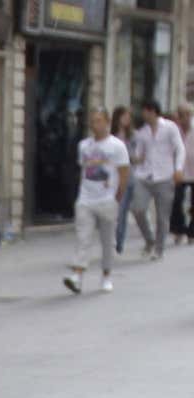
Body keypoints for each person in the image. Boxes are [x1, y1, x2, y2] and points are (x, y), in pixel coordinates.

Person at [64, 108, 130, 295]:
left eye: (99, 120)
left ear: (108, 122)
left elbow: (124, 173)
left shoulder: (117, 146)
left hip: (107, 199)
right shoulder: (84, 145)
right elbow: (83, 171)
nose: (96, 125)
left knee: (108, 241)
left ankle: (106, 275)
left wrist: (118, 196)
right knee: (82, 238)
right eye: (93, 121)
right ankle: (77, 275)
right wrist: (80, 194)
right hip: (86, 198)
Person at [134, 99, 187, 261]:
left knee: (162, 216)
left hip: (165, 176)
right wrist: (136, 158)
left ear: (152, 111)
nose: (142, 114)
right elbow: (138, 153)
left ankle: (159, 248)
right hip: (145, 176)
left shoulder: (170, 128)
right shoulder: (142, 132)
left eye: (144, 111)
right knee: (138, 209)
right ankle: (149, 239)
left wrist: (178, 168)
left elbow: (180, 148)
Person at [113, 106, 150, 255]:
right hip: (114, 177)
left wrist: (137, 159)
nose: (127, 119)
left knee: (126, 210)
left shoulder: (134, 136)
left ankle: (119, 243)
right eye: (124, 116)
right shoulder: (111, 136)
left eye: (128, 117)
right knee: (116, 212)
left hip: (130, 177)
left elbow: (138, 155)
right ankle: (115, 241)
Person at [172, 104, 194, 245]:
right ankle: (179, 230)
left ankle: (192, 232)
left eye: (187, 114)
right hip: (179, 170)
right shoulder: (175, 131)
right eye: (181, 115)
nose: (184, 118)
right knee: (177, 200)